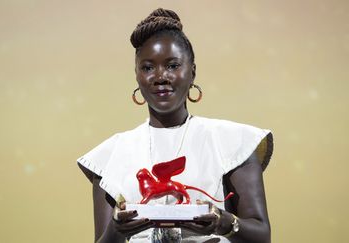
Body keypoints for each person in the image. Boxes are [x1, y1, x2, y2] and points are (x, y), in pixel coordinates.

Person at [77, 8, 273, 243]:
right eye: (148, 67)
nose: (160, 76)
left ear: (192, 72)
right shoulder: (110, 155)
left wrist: (222, 222)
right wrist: (116, 231)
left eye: (172, 65)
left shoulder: (231, 142)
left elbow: (262, 236)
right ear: (137, 76)